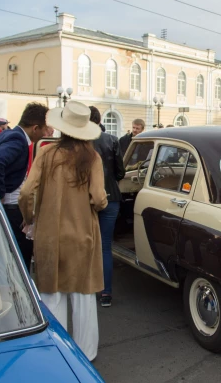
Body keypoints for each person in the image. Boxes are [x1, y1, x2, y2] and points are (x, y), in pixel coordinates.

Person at [19, 100, 107, 361]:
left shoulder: (45, 153)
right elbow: (99, 198)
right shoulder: (92, 157)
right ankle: (86, 354)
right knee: (83, 296)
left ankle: (56, 352)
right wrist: (98, 203)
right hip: (82, 233)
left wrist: (30, 217)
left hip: (49, 233)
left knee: (52, 293)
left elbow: (25, 192)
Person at [0, 102, 49, 270]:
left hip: (8, 206)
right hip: (12, 207)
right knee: (21, 258)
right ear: (35, 128)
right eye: (45, 129)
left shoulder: (5, 134)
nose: (46, 133)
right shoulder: (18, 140)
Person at [89, 106, 125, 308]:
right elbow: (120, 171)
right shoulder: (111, 139)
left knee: (87, 244)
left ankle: (87, 288)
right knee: (105, 246)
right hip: (111, 197)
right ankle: (106, 293)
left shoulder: (80, 142)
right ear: (100, 119)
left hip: (87, 199)